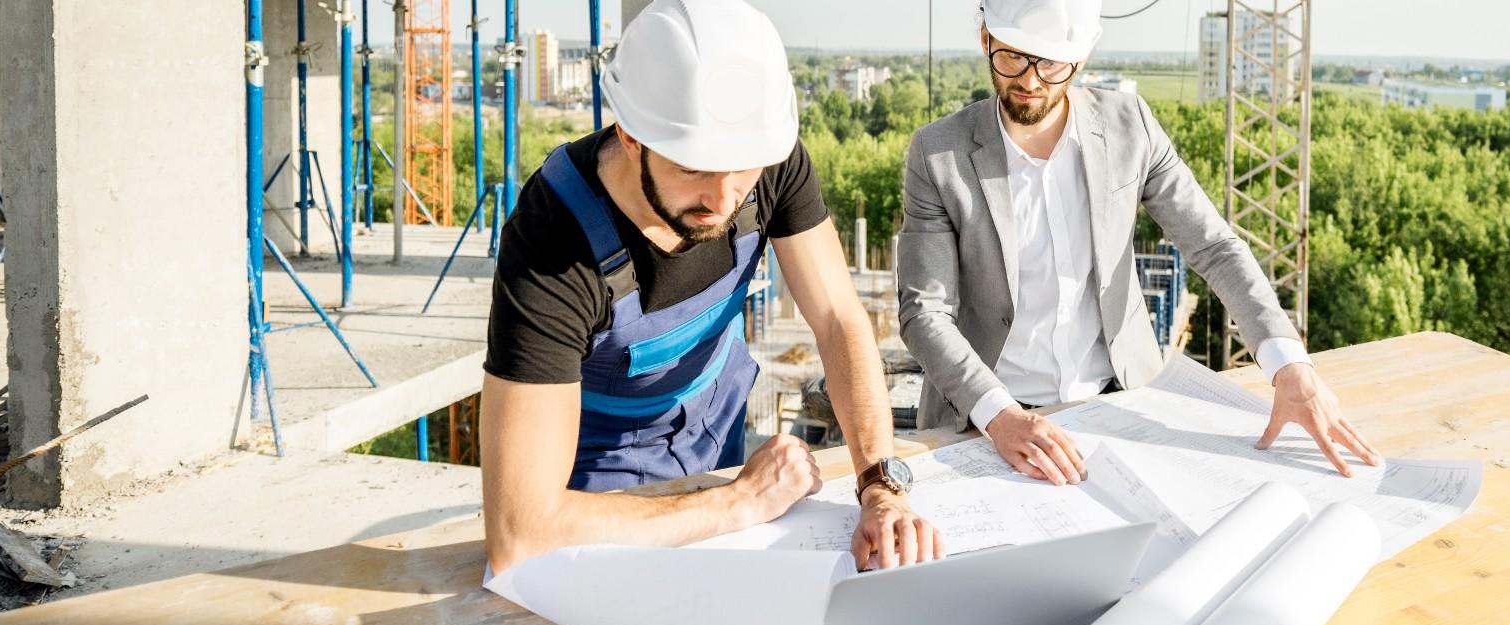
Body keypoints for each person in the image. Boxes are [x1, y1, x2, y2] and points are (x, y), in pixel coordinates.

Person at [478, 0, 939, 575]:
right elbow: (521, 532)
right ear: (630, 137)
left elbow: (838, 318)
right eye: (694, 169)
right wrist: (738, 502)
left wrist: (879, 482)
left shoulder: (768, 157)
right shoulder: (552, 244)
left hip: (718, 431)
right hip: (596, 471)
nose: (723, 202)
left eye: (741, 171)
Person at [898, 0, 1382, 486]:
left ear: (1081, 58)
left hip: (1121, 397)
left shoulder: (1131, 126)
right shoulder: (939, 153)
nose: (1029, 80)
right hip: (987, 418)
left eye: (1050, 64)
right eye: (1012, 58)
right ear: (986, 39)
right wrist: (1000, 416)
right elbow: (925, 312)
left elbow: (1213, 246)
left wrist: (1289, 365)